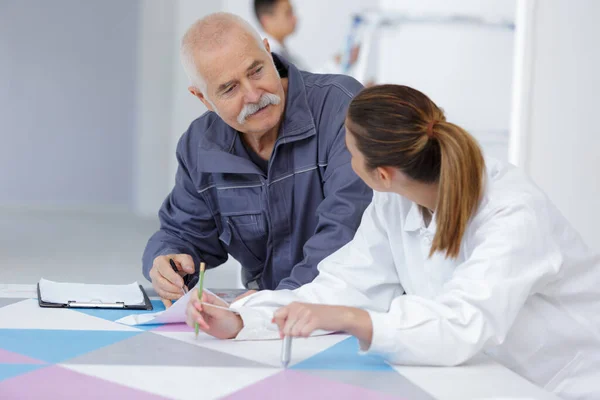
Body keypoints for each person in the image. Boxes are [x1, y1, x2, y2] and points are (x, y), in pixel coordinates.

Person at [186, 84, 600, 399]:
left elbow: (462, 326)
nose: (346, 162)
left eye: (349, 152)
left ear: (381, 173)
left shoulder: (512, 214)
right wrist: (245, 319)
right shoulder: (393, 203)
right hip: (480, 377)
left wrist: (354, 320)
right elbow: (337, 287)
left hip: (561, 385)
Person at [141, 12, 372, 307]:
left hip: (349, 312)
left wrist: (272, 307)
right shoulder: (199, 146)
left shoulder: (341, 107)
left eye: (256, 71)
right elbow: (183, 232)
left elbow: (346, 230)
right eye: (229, 88)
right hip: (268, 323)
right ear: (202, 98)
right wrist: (166, 259)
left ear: (268, 50)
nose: (253, 94)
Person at [253, 0, 360, 73]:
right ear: (267, 21)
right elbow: (304, 89)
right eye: (288, 13)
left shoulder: (284, 53)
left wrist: (339, 62)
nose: (295, 18)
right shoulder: (270, 57)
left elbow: (308, 79)